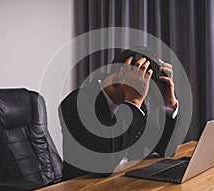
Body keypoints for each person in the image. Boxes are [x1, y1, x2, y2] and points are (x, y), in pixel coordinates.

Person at [59, 47, 178, 180]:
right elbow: (102, 165)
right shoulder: (76, 104)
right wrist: (133, 102)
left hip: (124, 182)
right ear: (117, 78)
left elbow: (166, 149)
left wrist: (169, 106)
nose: (144, 98)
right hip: (82, 189)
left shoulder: (137, 103)